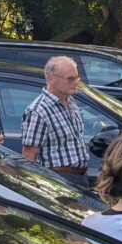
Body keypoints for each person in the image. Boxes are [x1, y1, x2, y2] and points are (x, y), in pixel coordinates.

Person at [21, 56, 90, 185]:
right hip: (58, 179)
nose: (76, 82)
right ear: (51, 79)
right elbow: (28, 156)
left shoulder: (70, 101)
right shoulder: (38, 111)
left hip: (80, 176)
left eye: (77, 78)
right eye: (70, 78)